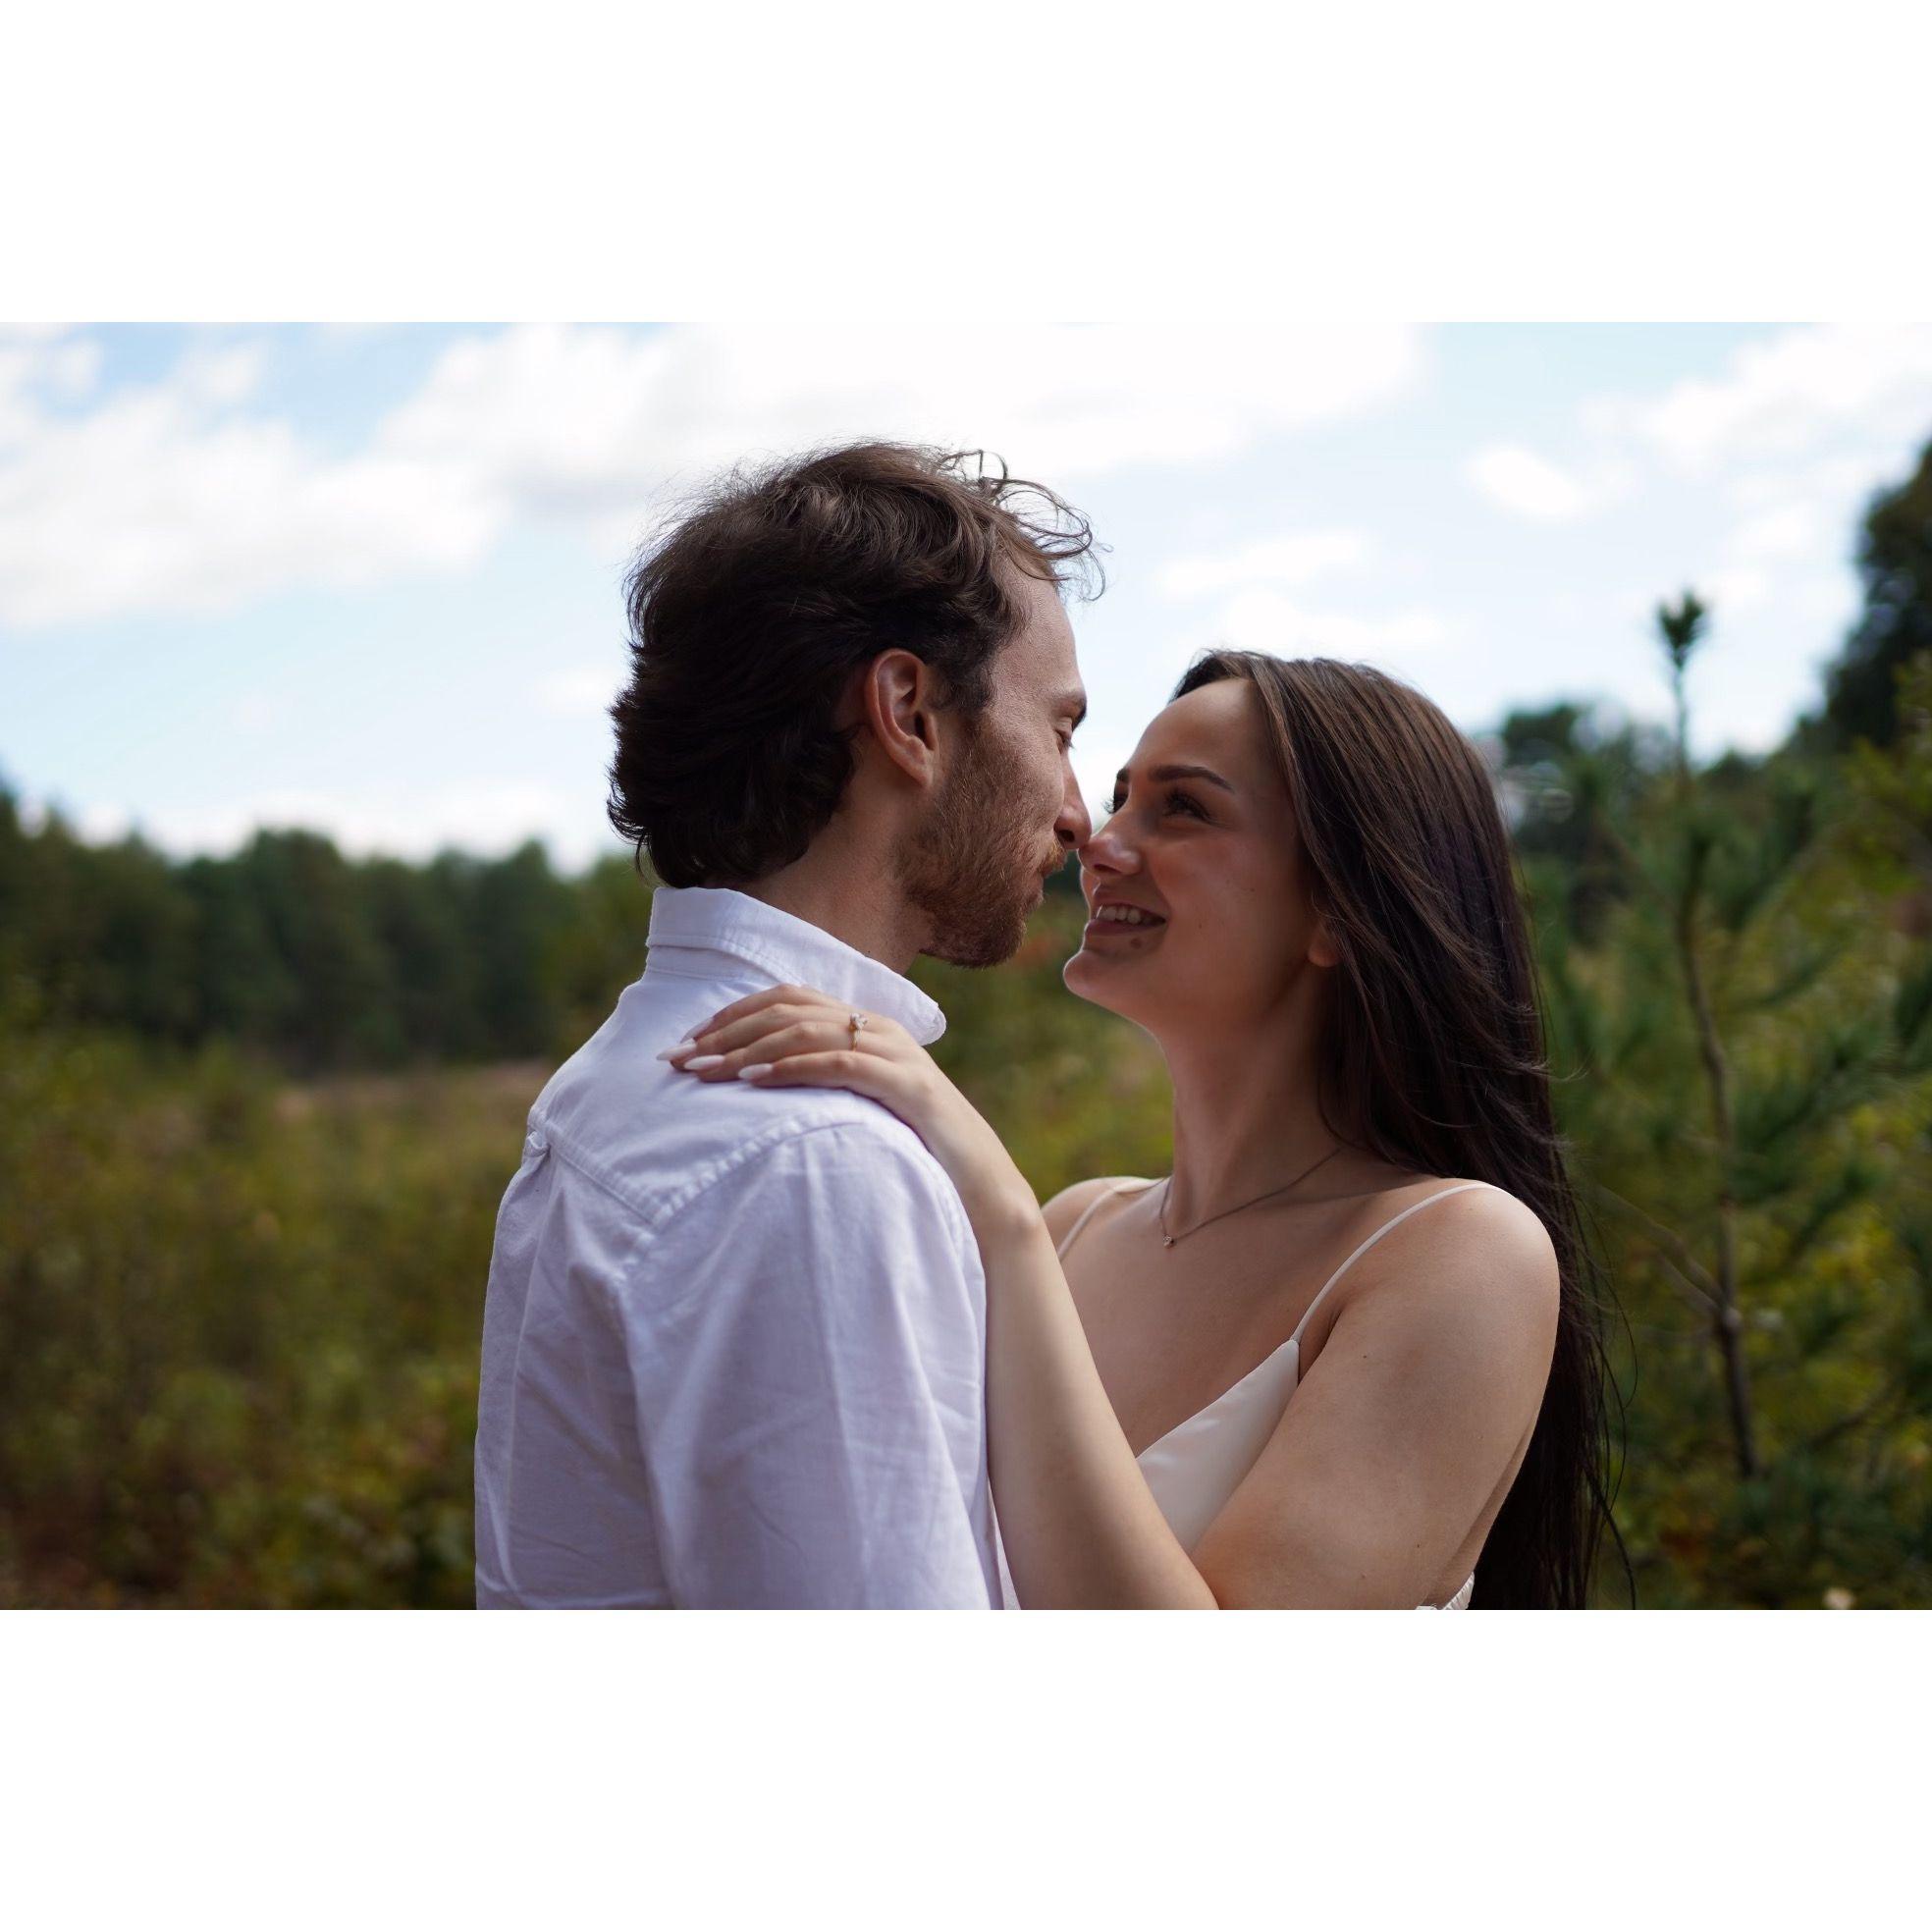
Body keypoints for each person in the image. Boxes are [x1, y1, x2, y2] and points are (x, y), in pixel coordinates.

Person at [667, 651, 1621, 1607]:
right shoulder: (1075, 1228)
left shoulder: (1462, 1253)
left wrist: (997, 1207)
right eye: (1121, 799)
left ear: (1337, 910)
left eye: (1184, 809)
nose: (1099, 840)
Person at [473, 441, 1099, 1608]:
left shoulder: (620, 1080)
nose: (1078, 813)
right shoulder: (814, 1160)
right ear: (909, 712)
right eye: (1060, 730)